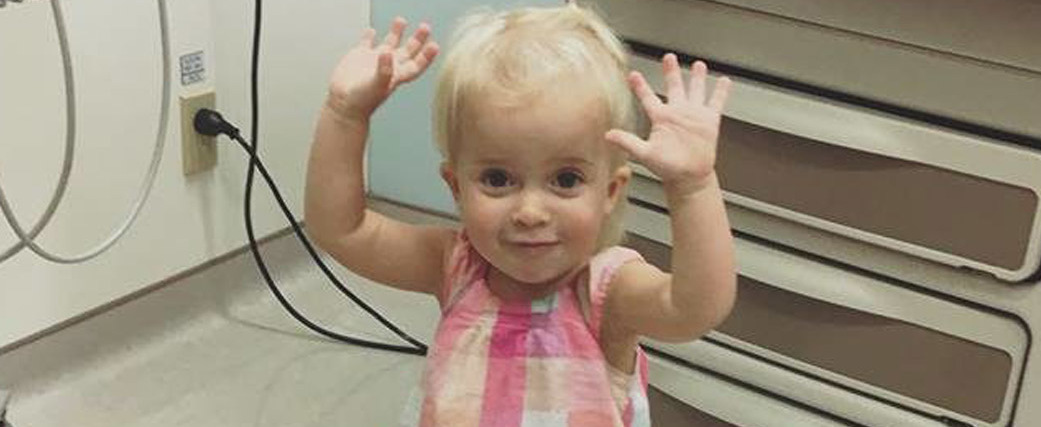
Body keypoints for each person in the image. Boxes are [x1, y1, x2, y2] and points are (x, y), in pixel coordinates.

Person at [304, 4, 736, 426]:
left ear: (610, 192)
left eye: (565, 180)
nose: (530, 212)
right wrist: (345, 114)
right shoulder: (455, 266)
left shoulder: (606, 289)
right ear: (456, 187)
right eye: (497, 178)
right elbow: (342, 229)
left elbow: (694, 308)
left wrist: (692, 186)